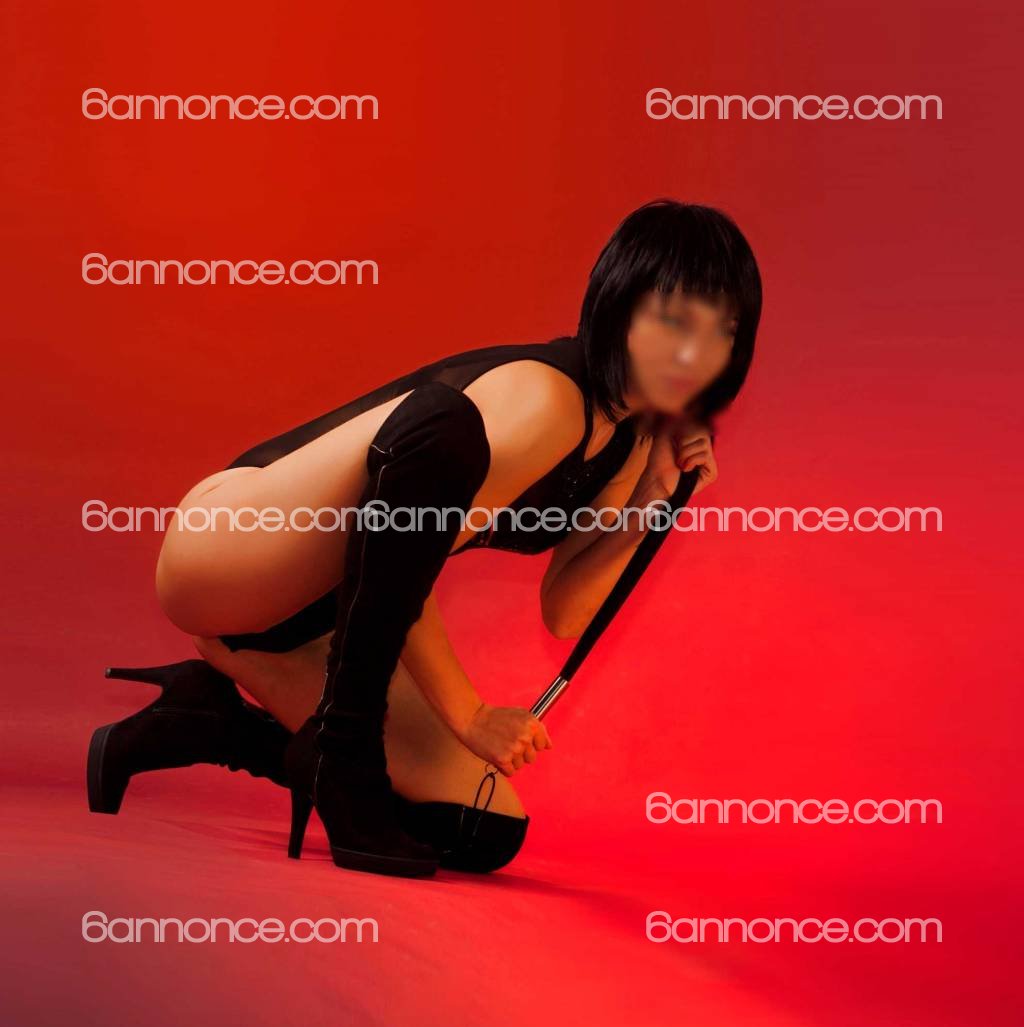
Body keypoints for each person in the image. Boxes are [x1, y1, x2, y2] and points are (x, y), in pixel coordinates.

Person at [87, 198, 762, 878]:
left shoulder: (631, 441)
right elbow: (403, 544)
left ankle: (208, 721)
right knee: (444, 427)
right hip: (228, 550)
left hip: (318, 614)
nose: (694, 353)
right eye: (674, 319)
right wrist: (470, 715)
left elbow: (565, 611)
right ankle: (342, 753)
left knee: (479, 828)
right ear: (618, 303)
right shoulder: (546, 401)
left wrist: (652, 501)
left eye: (722, 332)